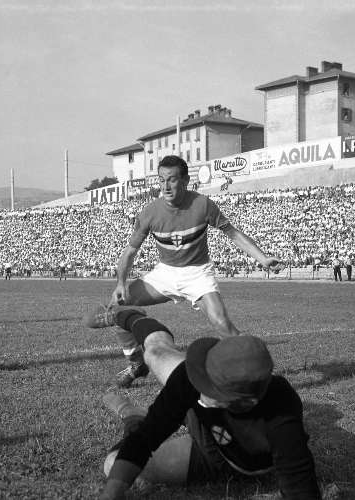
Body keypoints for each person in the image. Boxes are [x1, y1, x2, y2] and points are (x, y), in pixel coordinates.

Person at [84, 155, 283, 388]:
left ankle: (262, 374)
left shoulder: (203, 205)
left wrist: (262, 258)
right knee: (117, 305)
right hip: (166, 273)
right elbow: (129, 252)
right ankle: (137, 363)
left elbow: (233, 233)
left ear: (186, 180)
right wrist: (120, 283)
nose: (165, 186)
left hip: (198, 273)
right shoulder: (150, 212)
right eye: (161, 180)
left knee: (223, 325)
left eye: (172, 179)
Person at [98, 308, 322, 500]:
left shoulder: (280, 410)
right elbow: (147, 436)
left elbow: (299, 481)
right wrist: (111, 494)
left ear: (245, 403)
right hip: (209, 415)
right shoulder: (195, 374)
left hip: (224, 457)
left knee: (112, 464)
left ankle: (133, 416)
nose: (199, 386)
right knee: (155, 353)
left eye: (210, 389)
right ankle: (128, 316)